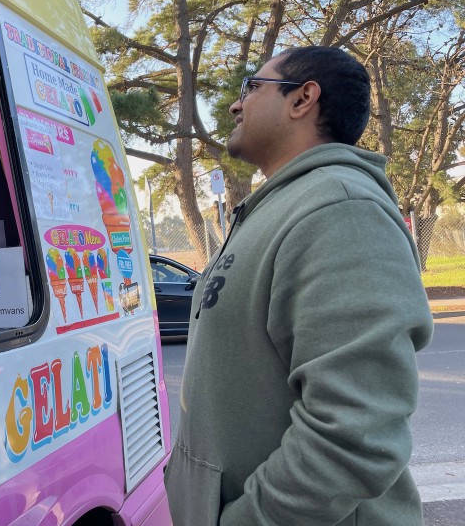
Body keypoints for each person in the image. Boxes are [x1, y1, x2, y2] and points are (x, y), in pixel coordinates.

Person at [164, 46, 434, 525]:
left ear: (302, 98)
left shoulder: (340, 208)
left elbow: (355, 429)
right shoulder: (285, 204)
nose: (235, 104)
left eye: (252, 86)